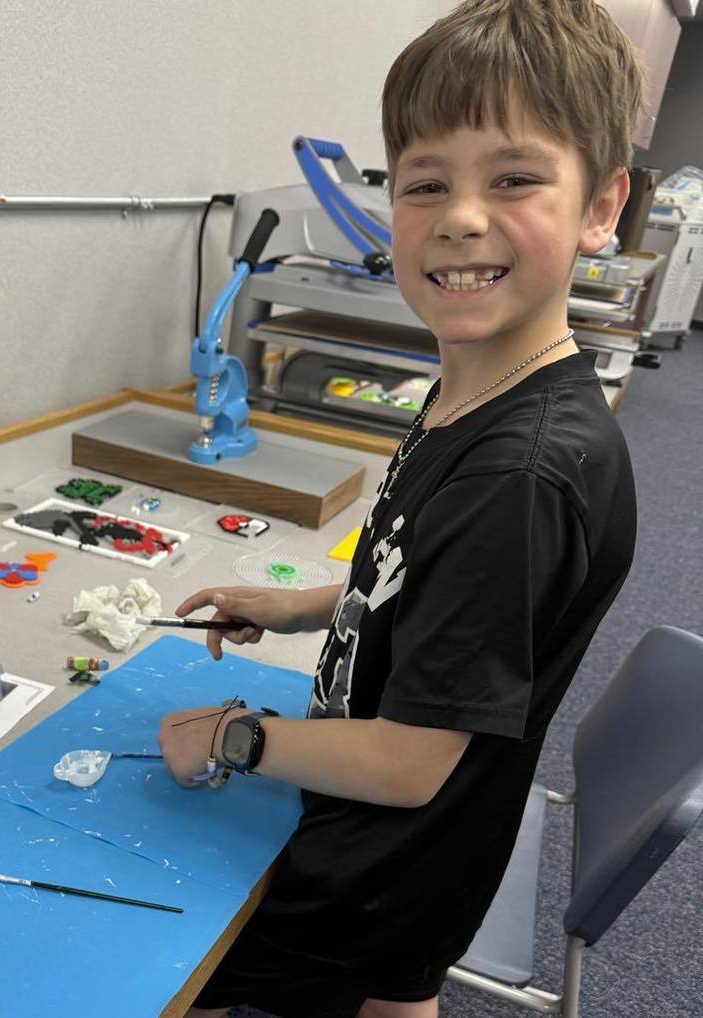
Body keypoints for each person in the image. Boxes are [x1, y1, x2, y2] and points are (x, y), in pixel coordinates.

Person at [157, 2, 643, 1016]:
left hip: (376, 869)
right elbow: (433, 578)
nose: (461, 215)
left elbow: (409, 762)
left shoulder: (519, 476)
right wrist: (301, 607)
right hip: (432, 857)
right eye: (426, 183)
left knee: (160, 972)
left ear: (601, 206)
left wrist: (236, 737)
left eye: (512, 178)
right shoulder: (480, 383)